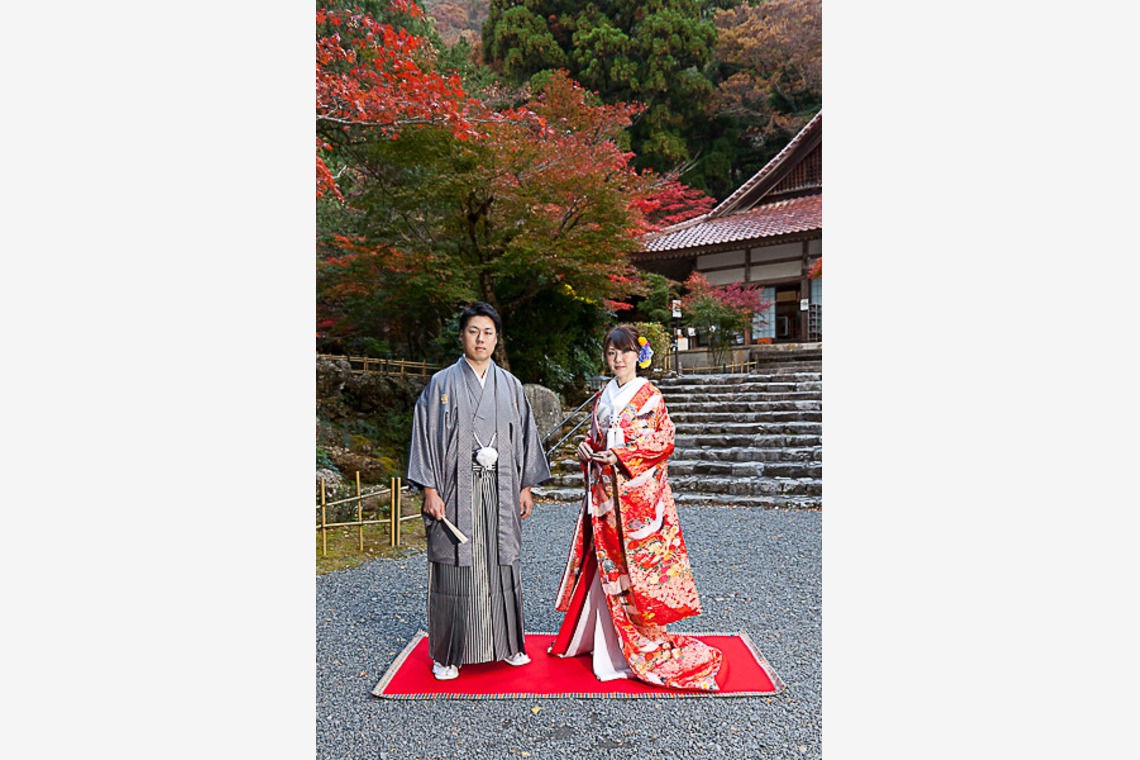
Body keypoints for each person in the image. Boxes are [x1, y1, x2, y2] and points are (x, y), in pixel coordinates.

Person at [548, 324, 723, 691]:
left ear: (637, 355)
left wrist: (622, 455)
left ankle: (630, 643)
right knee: (603, 563)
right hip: (604, 495)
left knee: (632, 569)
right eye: (611, 353)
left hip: (636, 500)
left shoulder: (650, 396)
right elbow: (595, 436)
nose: (617, 359)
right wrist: (586, 447)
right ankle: (599, 638)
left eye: (624, 352)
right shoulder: (603, 396)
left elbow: (664, 441)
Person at [406, 302, 552, 680]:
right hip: (456, 492)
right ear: (462, 336)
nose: (481, 338)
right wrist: (429, 489)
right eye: (474, 331)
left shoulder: (511, 386)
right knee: (456, 566)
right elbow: (424, 438)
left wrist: (525, 486)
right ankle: (448, 654)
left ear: (496, 338)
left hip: (502, 490)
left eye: (488, 332)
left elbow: (524, 439)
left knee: (501, 563)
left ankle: (506, 645)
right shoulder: (441, 384)